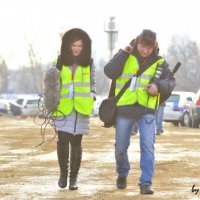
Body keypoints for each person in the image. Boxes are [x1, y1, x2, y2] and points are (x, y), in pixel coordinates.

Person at [104, 29, 175, 194]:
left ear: (154, 47)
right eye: (143, 46)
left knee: (148, 146)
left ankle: (145, 183)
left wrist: (159, 87)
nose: (145, 51)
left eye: (149, 48)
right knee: (120, 147)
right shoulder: (125, 56)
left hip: (146, 110)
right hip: (124, 109)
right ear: (138, 43)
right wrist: (123, 52)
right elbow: (109, 71)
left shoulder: (160, 63)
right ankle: (122, 173)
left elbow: (171, 83)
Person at [51, 28, 96, 190]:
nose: (76, 48)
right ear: (68, 46)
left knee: (76, 143)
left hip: (81, 108)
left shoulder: (89, 62)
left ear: (84, 47)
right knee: (62, 141)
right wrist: (50, 100)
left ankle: (73, 179)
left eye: (80, 45)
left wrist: (92, 96)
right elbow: (52, 83)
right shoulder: (60, 61)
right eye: (74, 45)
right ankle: (63, 174)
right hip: (63, 107)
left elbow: (92, 82)